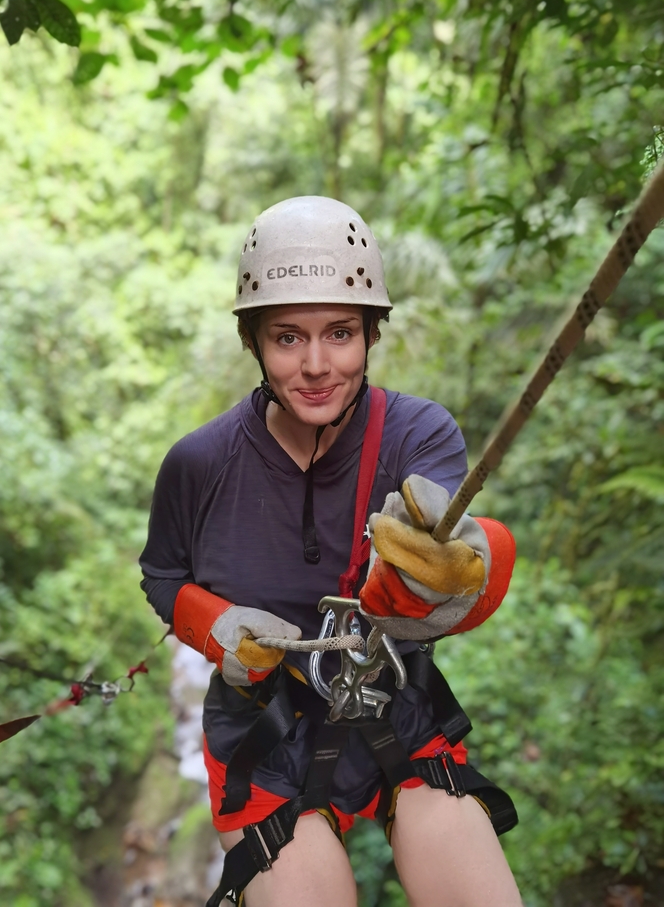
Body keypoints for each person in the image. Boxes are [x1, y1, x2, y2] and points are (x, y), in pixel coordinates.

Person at [139, 196, 523, 907]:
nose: (316, 366)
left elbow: (450, 561)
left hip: (395, 708)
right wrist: (212, 624)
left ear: (371, 333)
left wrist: (436, 582)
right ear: (252, 340)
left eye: (340, 333)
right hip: (262, 735)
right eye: (288, 338)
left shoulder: (417, 437)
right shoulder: (199, 464)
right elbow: (161, 574)